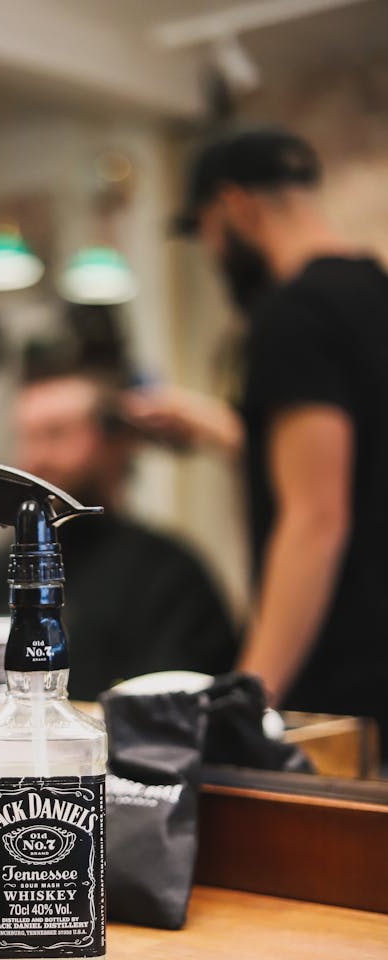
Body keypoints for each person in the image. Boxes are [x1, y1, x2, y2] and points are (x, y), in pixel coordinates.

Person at [128, 125, 388, 755]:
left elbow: (316, 515)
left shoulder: (290, 314)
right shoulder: (376, 293)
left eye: (208, 235)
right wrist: (219, 428)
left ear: (233, 206)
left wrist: (249, 699)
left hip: (345, 685)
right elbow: (359, 460)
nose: (213, 253)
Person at [0, 372, 236, 701]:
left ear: (115, 444)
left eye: (55, 434)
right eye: (26, 437)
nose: (35, 460)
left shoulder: (170, 577)